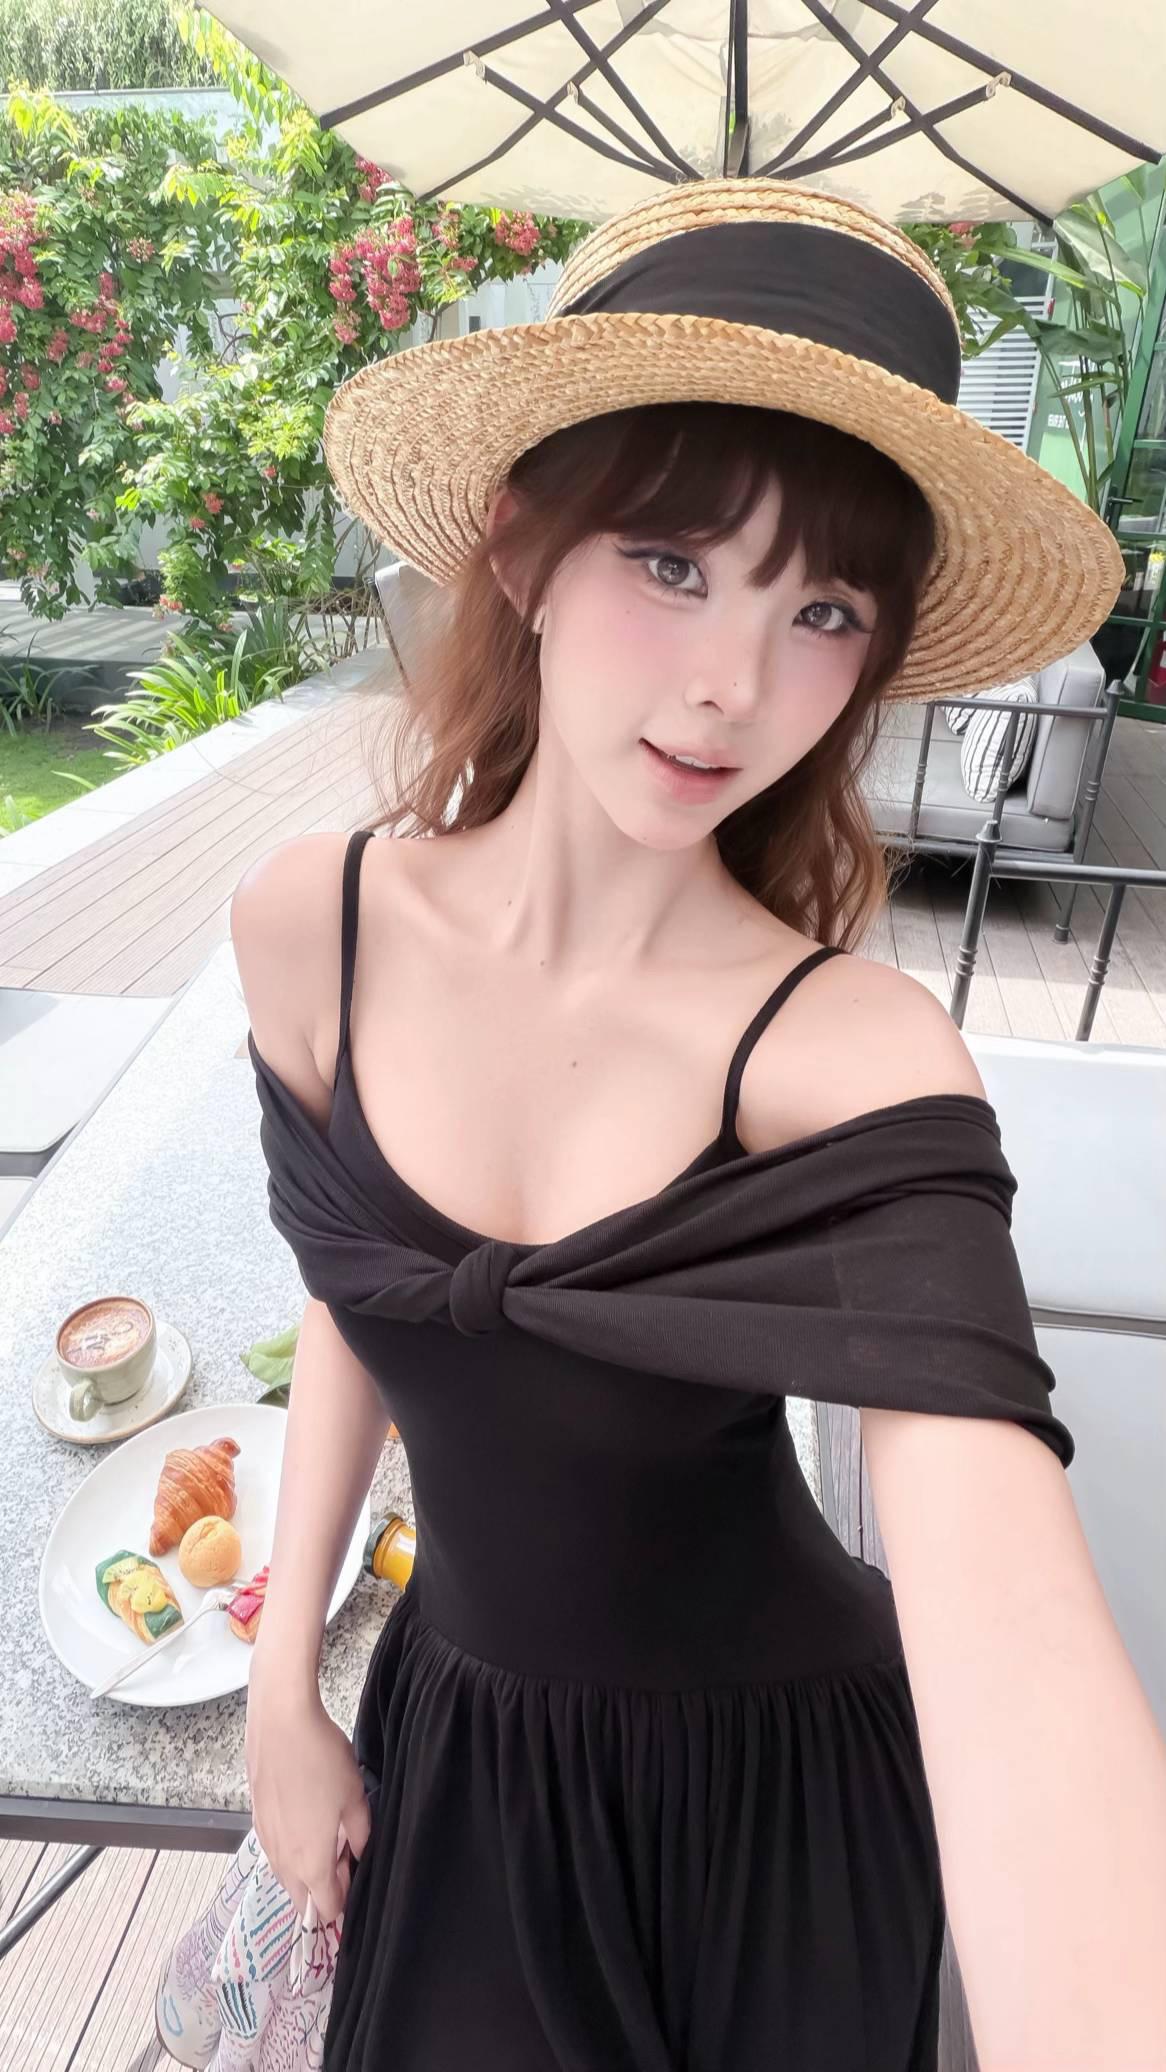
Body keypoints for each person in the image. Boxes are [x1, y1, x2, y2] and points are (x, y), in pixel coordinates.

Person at [159, 179, 1166, 2071]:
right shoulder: (312, 926)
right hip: (460, 1740)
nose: (733, 684)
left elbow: (1012, 1618)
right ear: (523, 546)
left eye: (823, 610)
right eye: (674, 562)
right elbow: (362, 1292)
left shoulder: (846, 1062)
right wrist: (282, 1691)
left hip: (772, 1803)